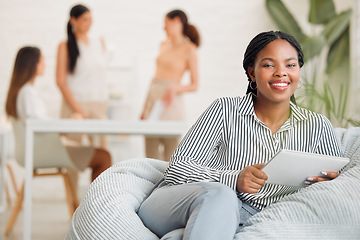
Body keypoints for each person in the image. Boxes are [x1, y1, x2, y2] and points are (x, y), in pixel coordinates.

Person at [138, 31, 343, 240]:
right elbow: (177, 169)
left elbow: (339, 189)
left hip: (242, 219)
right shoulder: (224, 110)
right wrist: (234, 179)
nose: (281, 73)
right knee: (222, 195)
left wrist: (326, 188)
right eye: (269, 65)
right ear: (252, 73)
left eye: (290, 65)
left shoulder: (318, 126)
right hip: (175, 203)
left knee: (179, 237)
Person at [5, 46, 111, 187]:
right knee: (104, 157)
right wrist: (68, 122)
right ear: (32, 64)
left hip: (37, 149)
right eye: (42, 60)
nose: (45, 64)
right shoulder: (27, 93)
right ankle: (98, 207)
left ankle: (87, 204)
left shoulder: (22, 92)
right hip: (41, 151)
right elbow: (39, 126)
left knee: (102, 155)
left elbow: (38, 123)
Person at [140, 9, 200, 161]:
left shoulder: (189, 49)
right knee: (150, 153)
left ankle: (168, 185)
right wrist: (144, 108)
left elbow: (194, 84)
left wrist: (175, 88)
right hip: (154, 99)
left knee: (170, 154)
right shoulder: (163, 44)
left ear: (177, 22)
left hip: (171, 103)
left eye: (166, 24)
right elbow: (155, 76)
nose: (164, 28)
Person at [56, 4, 108, 149]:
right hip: (75, 105)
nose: (89, 23)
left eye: (90, 19)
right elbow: (60, 82)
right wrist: (79, 110)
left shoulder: (98, 44)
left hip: (98, 105)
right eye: (85, 20)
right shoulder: (65, 46)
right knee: (73, 151)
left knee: (103, 151)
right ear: (73, 20)